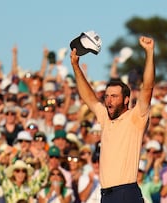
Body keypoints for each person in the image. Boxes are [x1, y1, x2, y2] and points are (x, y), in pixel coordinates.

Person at [70, 36, 155, 202]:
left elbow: (147, 88)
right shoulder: (105, 118)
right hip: (106, 194)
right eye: (107, 96)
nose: (109, 100)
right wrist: (75, 66)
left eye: (114, 96)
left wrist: (150, 53)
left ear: (126, 99)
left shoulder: (135, 117)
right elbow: (89, 98)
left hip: (126, 192)